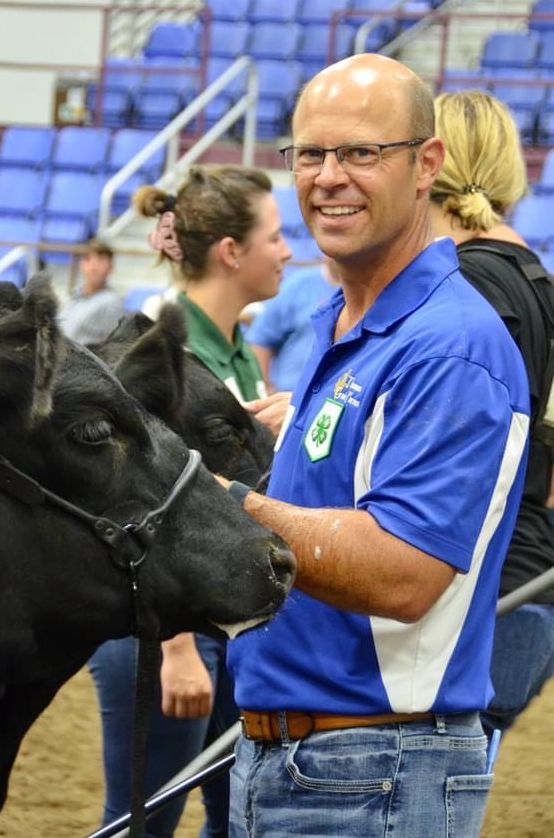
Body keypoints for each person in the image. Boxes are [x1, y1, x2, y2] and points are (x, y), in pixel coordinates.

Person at [221, 54, 531, 838]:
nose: (329, 176)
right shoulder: (346, 324)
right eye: (311, 154)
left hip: (374, 771)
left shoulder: (449, 345)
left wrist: (221, 509)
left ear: (428, 164)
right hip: (304, 760)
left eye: (362, 152)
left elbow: (403, 572)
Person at [88, 164, 292, 837]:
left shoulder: (233, 353)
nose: (288, 250)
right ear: (232, 252)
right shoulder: (158, 351)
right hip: (167, 629)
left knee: (237, 815)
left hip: (219, 620)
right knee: (144, 821)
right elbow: (132, 501)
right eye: (275, 236)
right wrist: (174, 649)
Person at [429, 89, 554, 739]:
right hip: (529, 583)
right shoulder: (542, 286)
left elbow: (445, 465)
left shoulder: (460, 285)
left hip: (468, 596)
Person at [246, 256, 339, 393]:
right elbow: (260, 340)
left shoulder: (370, 292)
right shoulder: (300, 284)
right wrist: (264, 389)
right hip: (289, 395)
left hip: (337, 399)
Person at [57, 238, 125, 345]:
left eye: (101, 259)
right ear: (81, 265)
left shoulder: (112, 302)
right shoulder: (73, 296)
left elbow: (115, 346)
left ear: (111, 267)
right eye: (87, 259)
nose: (93, 266)